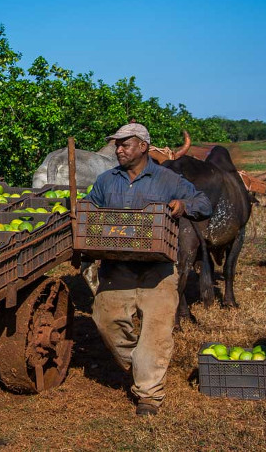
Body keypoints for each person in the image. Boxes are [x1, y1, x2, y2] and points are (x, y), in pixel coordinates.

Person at [86, 121, 212, 416]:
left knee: (156, 333)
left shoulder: (168, 179)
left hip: (159, 271)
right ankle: (140, 363)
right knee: (105, 321)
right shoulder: (106, 180)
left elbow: (203, 202)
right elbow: (90, 207)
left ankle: (149, 395)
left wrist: (183, 205)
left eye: (124, 144)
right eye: (117, 145)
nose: (118, 150)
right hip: (117, 268)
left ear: (143, 146)